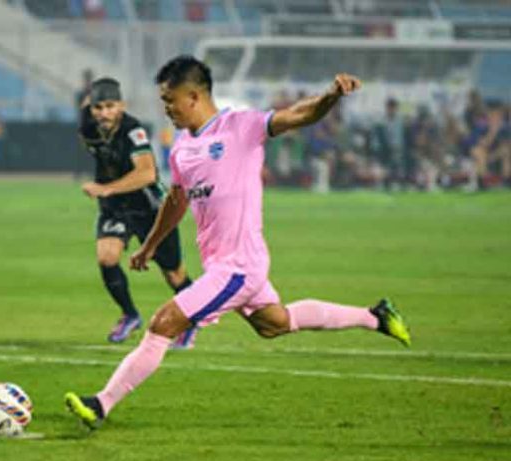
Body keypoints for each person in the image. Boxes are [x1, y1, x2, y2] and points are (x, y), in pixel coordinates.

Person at [65, 55, 411, 429]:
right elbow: (177, 199)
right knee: (276, 322)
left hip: (238, 266)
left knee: (163, 323)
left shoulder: (241, 126)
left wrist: (331, 95)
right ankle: (375, 317)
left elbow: (299, 115)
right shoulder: (182, 146)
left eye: (170, 101)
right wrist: (149, 247)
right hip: (226, 264)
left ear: (194, 96)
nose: (166, 110)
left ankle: (101, 404)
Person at [78, 76, 198, 348]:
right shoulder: (88, 123)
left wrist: (107, 189)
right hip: (116, 209)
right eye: (99, 107)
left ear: (122, 105)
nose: (104, 113)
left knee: (174, 273)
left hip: (150, 209)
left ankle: (192, 321)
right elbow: (88, 108)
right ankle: (130, 315)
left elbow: (147, 174)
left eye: (110, 106)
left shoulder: (134, 131)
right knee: (107, 257)